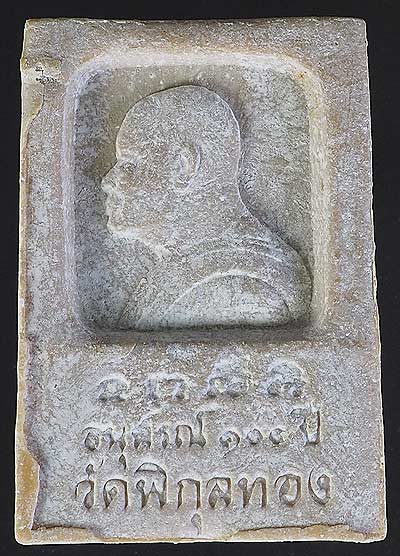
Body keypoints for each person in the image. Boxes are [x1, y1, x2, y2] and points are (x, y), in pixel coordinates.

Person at [101, 85, 310, 330]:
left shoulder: (242, 291)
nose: (108, 181)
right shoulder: (196, 265)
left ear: (183, 167)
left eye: (129, 165)